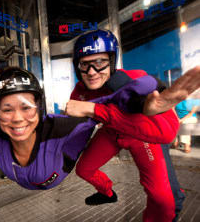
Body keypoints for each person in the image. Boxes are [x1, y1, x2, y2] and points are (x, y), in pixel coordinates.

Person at [0, 66, 184, 191]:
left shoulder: (63, 127)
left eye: (27, 107)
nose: (17, 119)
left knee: (104, 129)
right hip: (30, 177)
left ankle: (107, 190)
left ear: (41, 107)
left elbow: (115, 99)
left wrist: (149, 95)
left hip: (65, 160)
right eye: (7, 109)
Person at [65, 29, 200, 222]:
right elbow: (77, 127)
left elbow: (166, 135)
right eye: (85, 65)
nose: (92, 72)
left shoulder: (130, 79)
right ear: (77, 67)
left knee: (163, 200)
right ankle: (108, 193)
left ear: (111, 62)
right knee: (84, 169)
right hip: (112, 133)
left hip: (141, 135)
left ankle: (171, 203)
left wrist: (96, 110)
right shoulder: (80, 92)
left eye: (99, 63)